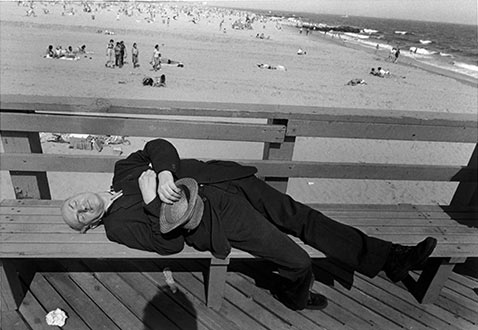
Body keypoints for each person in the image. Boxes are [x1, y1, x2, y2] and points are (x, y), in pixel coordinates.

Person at [62, 138, 437, 311]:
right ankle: (294, 294)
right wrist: (149, 202)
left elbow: (158, 145)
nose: (80, 206)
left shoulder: (123, 170)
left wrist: (162, 173)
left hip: (231, 181)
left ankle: (389, 258)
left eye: (73, 202)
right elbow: (167, 246)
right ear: (89, 225)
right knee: (298, 261)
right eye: (79, 215)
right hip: (215, 216)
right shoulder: (116, 226)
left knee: (300, 216)